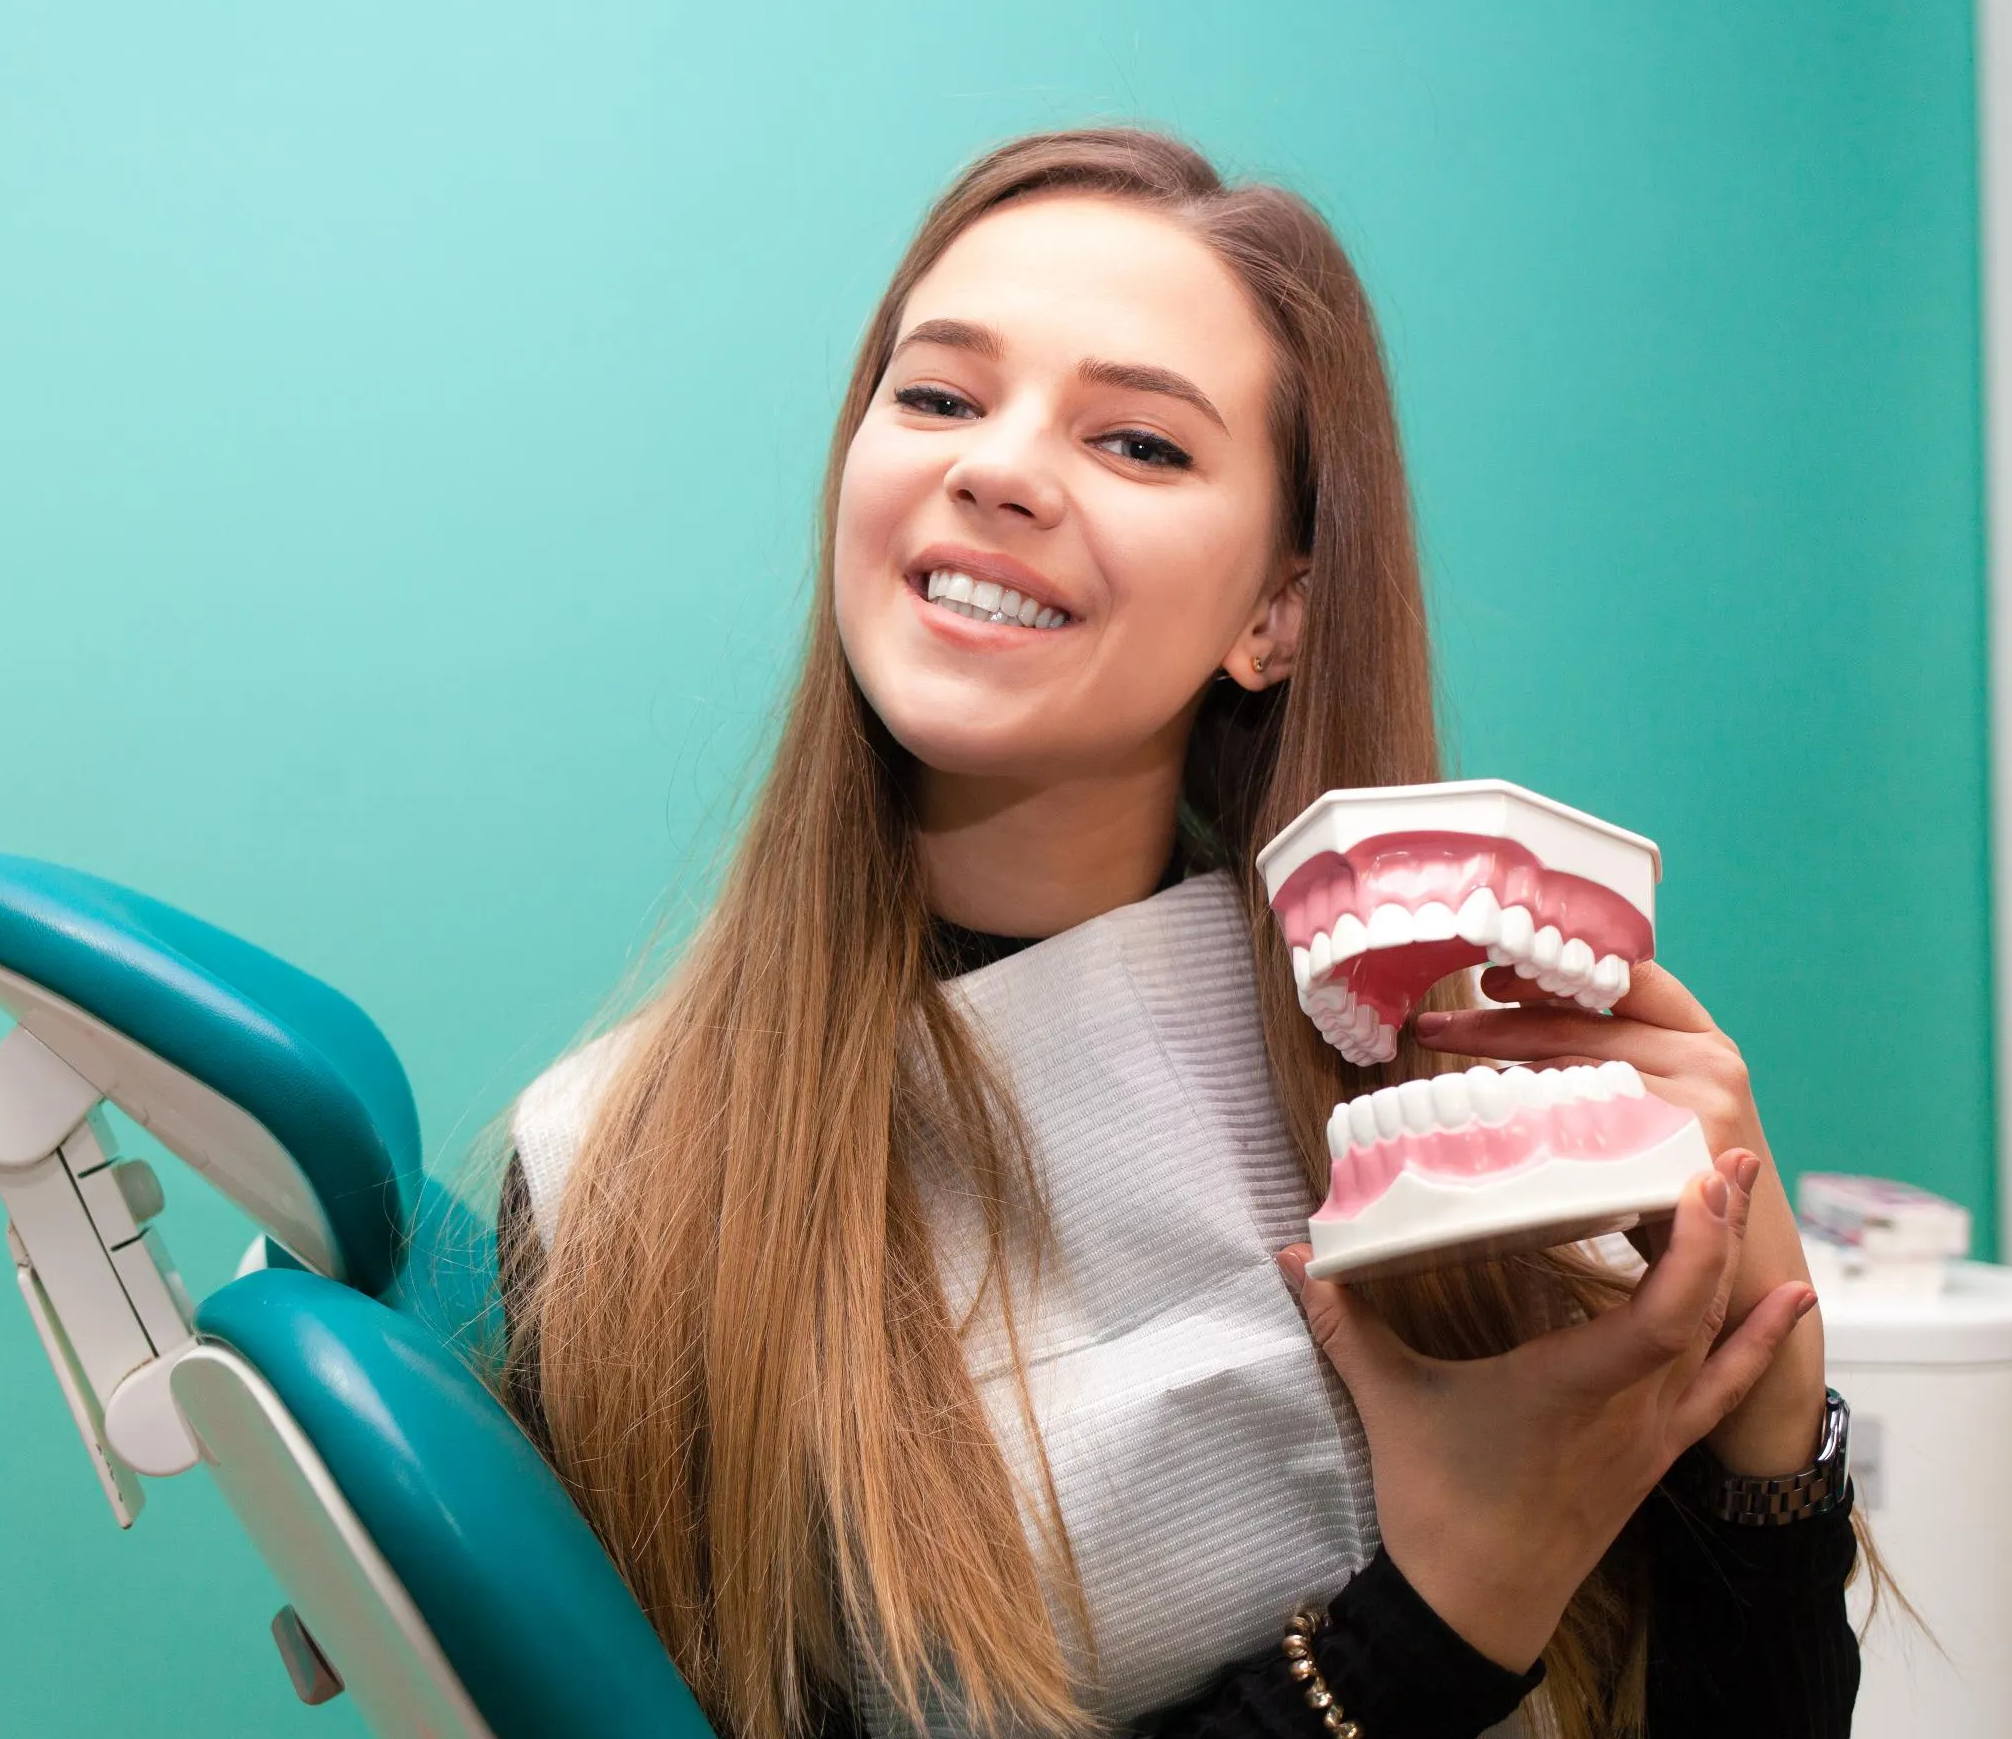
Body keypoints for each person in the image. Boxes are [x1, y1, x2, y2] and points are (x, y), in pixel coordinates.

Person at [496, 128, 1861, 1738]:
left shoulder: (1469, 1122)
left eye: (1138, 444)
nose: (998, 468)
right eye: (937, 396)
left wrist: (1767, 1439)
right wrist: (1424, 1632)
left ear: (1273, 615)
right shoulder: (615, 1185)